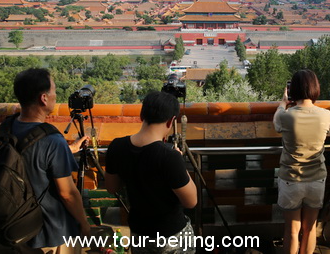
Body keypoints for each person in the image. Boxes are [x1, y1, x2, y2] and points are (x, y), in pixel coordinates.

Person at [105, 91, 197, 254]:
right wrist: (178, 161)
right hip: (171, 236)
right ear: (171, 121)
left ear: (142, 115)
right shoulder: (169, 157)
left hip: (139, 232)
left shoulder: (116, 147)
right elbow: (191, 201)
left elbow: (112, 187)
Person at [12, 68, 90, 254]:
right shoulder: (52, 140)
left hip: (15, 224)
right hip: (50, 232)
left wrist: (68, 149)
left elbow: (29, 157)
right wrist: (84, 224)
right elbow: (67, 194)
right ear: (43, 98)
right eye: (53, 91)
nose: (56, 96)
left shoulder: (8, 126)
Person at [273, 69, 330, 254]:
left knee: (292, 231)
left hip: (291, 179)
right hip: (317, 179)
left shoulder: (286, 116)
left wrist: (283, 102)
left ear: (293, 90)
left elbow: (276, 123)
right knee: (310, 228)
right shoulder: (326, 115)